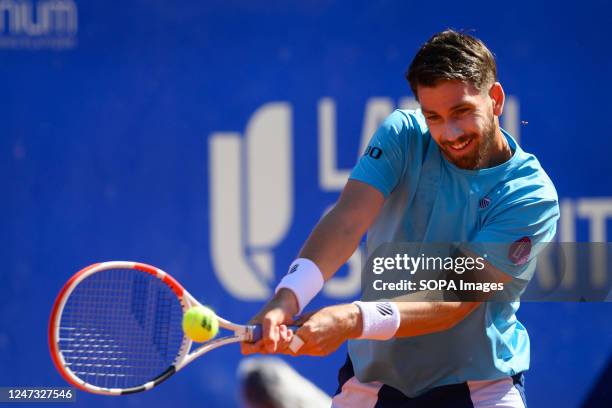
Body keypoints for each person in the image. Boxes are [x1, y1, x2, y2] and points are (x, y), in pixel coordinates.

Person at [241, 29, 559, 407]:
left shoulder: (530, 194)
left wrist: (351, 320)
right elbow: (347, 222)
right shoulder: (402, 135)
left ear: (496, 99)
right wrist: (288, 299)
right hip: (375, 379)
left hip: (480, 385)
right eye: (434, 117)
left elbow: (456, 299)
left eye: (461, 112)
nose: (450, 132)